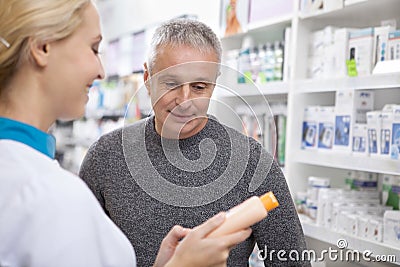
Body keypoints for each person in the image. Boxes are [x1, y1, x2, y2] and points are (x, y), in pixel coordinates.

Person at [0, 1, 252, 266]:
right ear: (43, 48)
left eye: (199, 86)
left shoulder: (31, 178)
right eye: (94, 47)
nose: (101, 70)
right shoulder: (52, 193)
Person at [80, 18, 311, 266]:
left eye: (199, 87)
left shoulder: (252, 163)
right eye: (171, 84)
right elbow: (77, 254)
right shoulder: (106, 157)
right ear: (147, 78)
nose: (184, 100)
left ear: (214, 85)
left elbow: (292, 261)